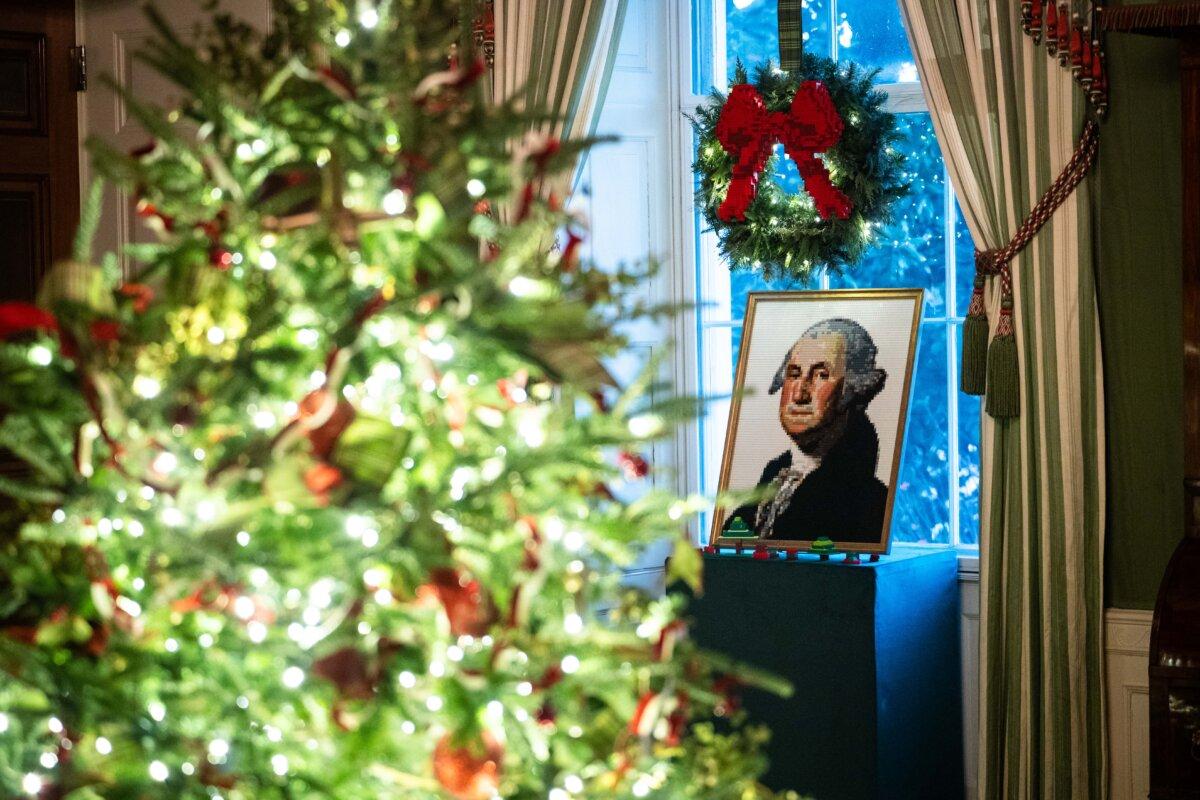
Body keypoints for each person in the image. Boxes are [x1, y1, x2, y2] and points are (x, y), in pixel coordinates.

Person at [724, 317, 889, 543]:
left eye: (821, 375)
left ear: (855, 388)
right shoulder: (774, 475)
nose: (799, 394)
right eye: (793, 374)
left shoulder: (865, 500)